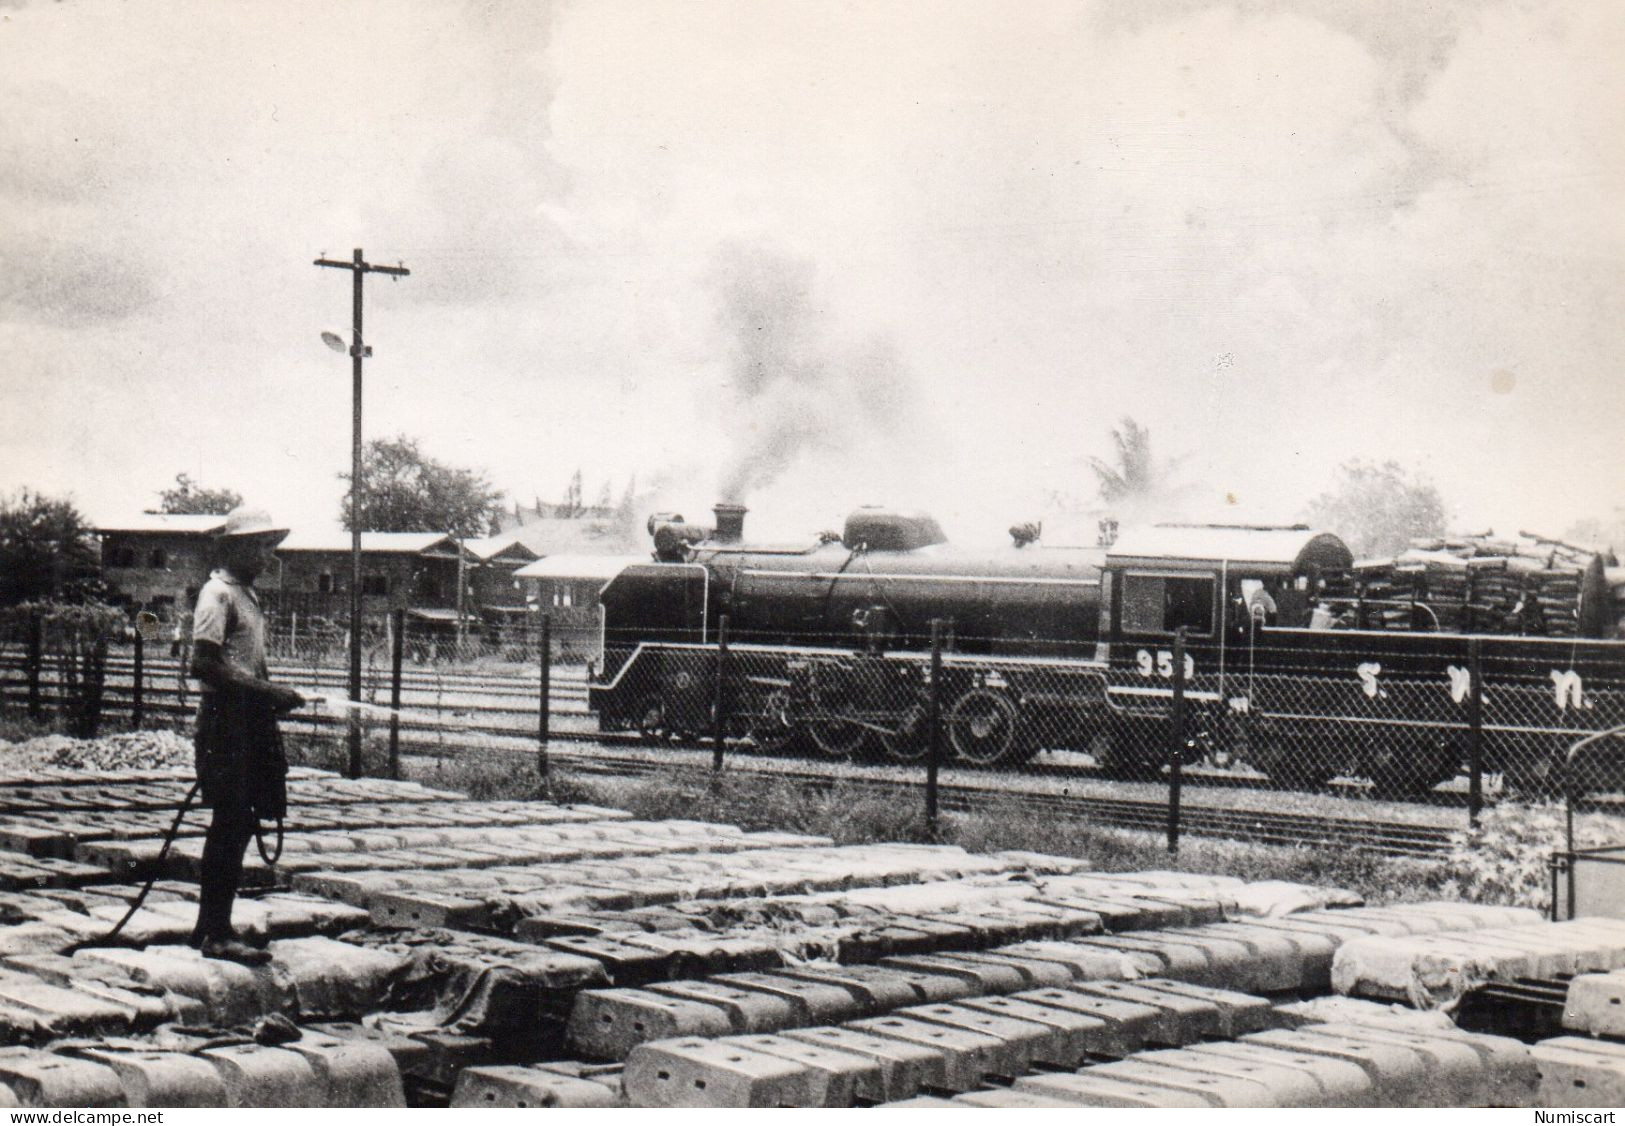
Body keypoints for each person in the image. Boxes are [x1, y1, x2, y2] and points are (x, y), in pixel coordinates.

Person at [187, 507, 305, 964]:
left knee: (238, 825)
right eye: (258, 546)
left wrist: (271, 697)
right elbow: (204, 664)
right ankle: (218, 935)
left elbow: (249, 665)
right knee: (230, 824)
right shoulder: (217, 594)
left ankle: (209, 926)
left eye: (269, 546)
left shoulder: (246, 594)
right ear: (234, 548)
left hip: (247, 722)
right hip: (225, 724)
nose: (266, 556)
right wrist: (268, 693)